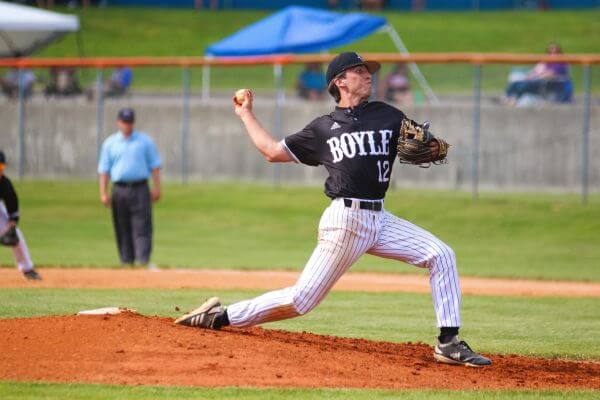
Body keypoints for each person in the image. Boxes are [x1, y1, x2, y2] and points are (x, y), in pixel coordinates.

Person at [175, 52, 492, 368]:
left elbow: (425, 145)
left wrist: (432, 146)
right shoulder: (322, 129)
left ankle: (448, 342)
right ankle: (218, 317)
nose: (368, 75)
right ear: (340, 81)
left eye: (368, 71)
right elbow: (272, 151)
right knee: (301, 301)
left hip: (379, 219)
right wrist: (245, 115)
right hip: (346, 221)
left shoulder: (387, 114)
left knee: (442, 255)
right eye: (359, 71)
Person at [98, 108, 162, 267]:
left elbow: (155, 166)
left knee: (142, 225)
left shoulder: (144, 141)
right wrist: (103, 192)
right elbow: (104, 170)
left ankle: (143, 259)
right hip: (119, 188)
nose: (128, 125)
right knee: (122, 225)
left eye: (130, 122)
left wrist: (156, 187)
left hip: (140, 187)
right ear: (119, 122)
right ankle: (126, 260)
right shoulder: (110, 143)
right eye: (125, 122)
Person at [0, 151, 41, 280]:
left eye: (1, 167)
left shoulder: (5, 184)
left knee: (16, 234)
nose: (0, 171)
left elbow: (12, 207)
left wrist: (11, 224)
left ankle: (28, 269)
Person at [504, 43, 572, 106]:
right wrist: (529, 76)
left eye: (555, 52)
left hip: (551, 83)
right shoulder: (545, 61)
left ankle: (515, 100)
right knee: (515, 83)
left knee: (524, 85)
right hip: (538, 80)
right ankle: (507, 99)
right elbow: (535, 71)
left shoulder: (561, 63)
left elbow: (551, 74)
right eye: (550, 52)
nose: (552, 54)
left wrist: (538, 76)